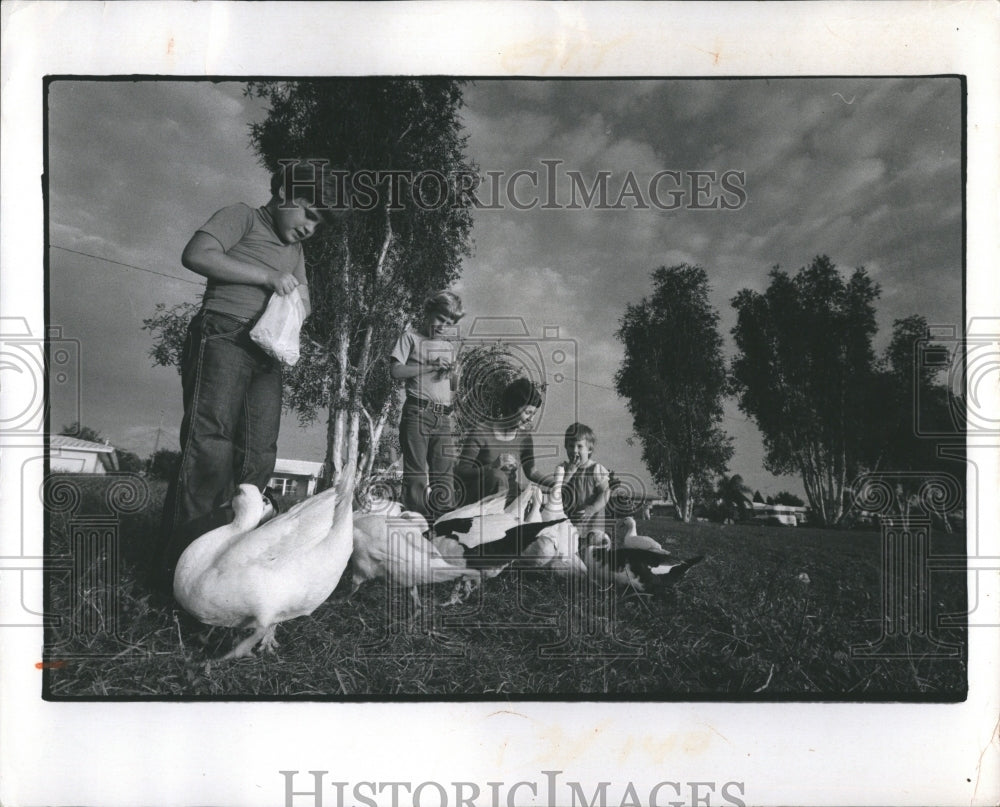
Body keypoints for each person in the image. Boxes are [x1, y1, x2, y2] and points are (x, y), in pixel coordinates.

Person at [154, 162, 340, 590]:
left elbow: (305, 298)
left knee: (259, 453)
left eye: (320, 222)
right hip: (223, 334)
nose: (312, 227)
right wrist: (267, 277)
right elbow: (196, 254)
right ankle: (179, 572)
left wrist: (294, 308)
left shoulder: (297, 251)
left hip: (266, 352)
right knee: (211, 445)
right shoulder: (243, 215)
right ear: (284, 193)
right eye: (309, 213)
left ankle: (227, 572)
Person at [389, 290, 464, 519]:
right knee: (417, 477)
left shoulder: (449, 348)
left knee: (445, 476)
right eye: (440, 319)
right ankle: (416, 527)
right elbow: (396, 371)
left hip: (444, 418)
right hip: (418, 413)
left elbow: (452, 387)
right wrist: (431, 366)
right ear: (429, 311)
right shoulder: (410, 338)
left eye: (449, 323)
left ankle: (443, 531)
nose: (443, 326)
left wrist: (455, 374)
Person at [454, 377, 555, 507]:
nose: (531, 419)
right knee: (497, 476)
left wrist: (558, 483)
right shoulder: (481, 432)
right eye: (528, 412)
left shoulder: (525, 438)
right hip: (479, 501)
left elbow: (532, 472)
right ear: (512, 407)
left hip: (510, 498)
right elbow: (461, 472)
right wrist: (492, 466)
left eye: (534, 414)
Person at [558, 422, 611, 538]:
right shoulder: (563, 469)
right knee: (569, 548)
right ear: (566, 447)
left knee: (591, 549)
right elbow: (558, 491)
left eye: (579, 446)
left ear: (589, 449)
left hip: (592, 521)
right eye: (571, 446)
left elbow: (605, 492)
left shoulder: (595, 469)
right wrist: (569, 473)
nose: (575, 451)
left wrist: (593, 508)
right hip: (570, 520)